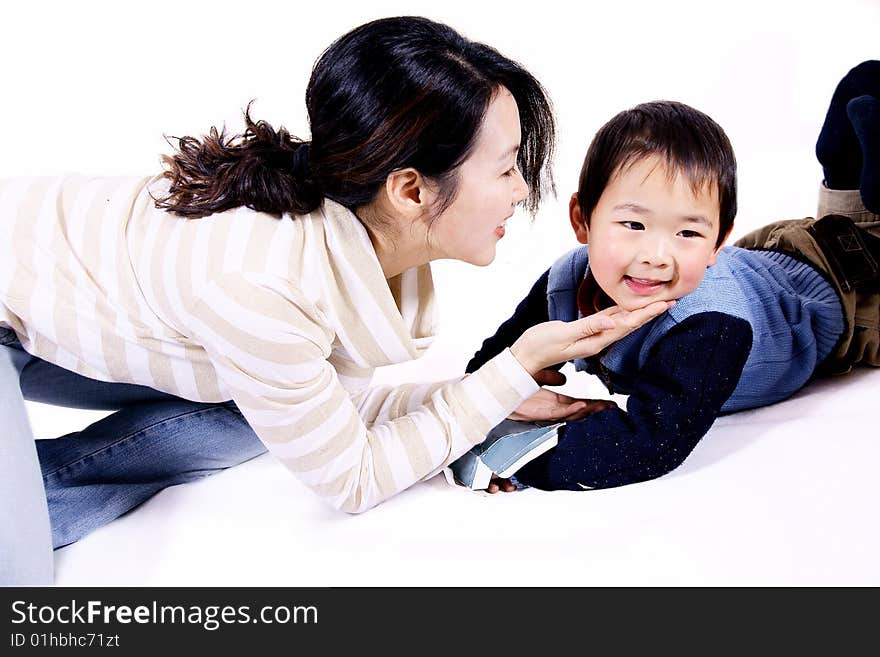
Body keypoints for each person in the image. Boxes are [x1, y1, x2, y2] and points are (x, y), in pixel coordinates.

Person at [0, 16, 670, 585]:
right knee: (17, 564)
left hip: (62, 313)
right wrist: (511, 369)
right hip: (12, 308)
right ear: (409, 191)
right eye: (504, 169)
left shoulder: (336, 246)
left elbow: (325, 413)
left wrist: (492, 393)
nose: (522, 190)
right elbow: (351, 478)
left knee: (251, 423)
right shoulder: (262, 283)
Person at [464, 61, 880, 492]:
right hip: (780, 254)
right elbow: (491, 368)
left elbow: (649, 443)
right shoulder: (566, 281)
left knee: (866, 236)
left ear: (716, 244)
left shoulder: (709, 326)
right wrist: (482, 413)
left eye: (687, 233)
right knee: (854, 168)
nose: (656, 257)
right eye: (633, 226)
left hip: (852, 301)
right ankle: (855, 159)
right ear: (582, 221)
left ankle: (857, 167)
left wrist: (514, 457)